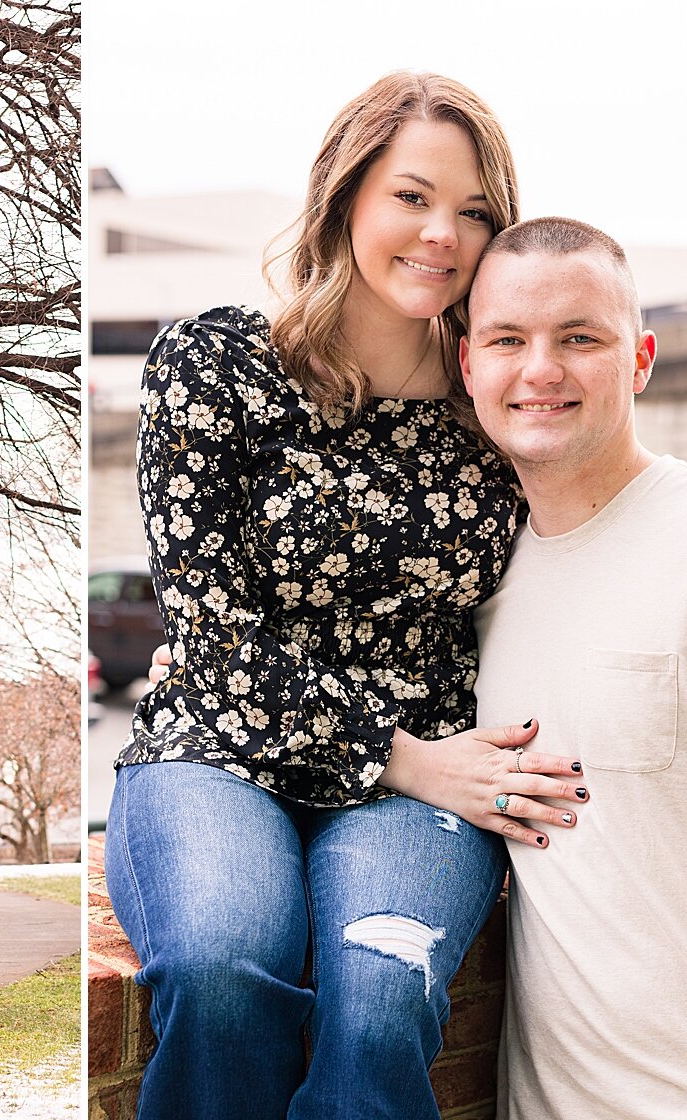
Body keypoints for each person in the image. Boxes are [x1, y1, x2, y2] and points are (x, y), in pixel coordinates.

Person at [105, 71, 587, 1120]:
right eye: (412, 196)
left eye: (473, 212)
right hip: (221, 753)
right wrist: (403, 757)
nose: (441, 234)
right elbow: (212, 636)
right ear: (347, 198)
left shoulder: (493, 404)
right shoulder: (216, 363)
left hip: (424, 789)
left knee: (380, 997)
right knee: (220, 973)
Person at [459, 216, 687, 1117]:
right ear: (469, 363)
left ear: (641, 358)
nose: (541, 369)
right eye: (509, 339)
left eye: (580, 338)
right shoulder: (471, 583)